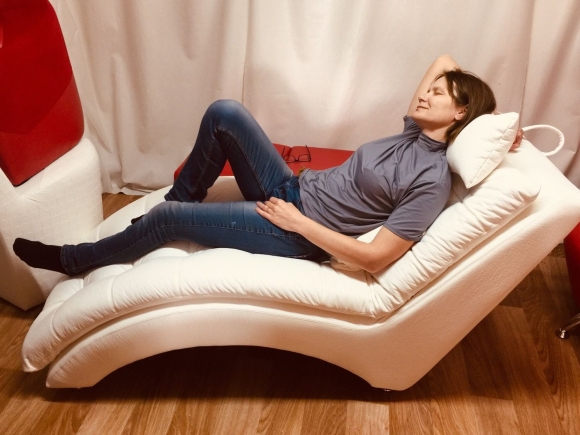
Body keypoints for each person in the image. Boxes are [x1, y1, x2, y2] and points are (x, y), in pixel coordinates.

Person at [13, 54, 521, 276]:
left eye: (440, 95)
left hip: (297, 231)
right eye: (431, 90)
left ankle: (73, 260)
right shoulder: (414, 130)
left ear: (458, 113)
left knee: (168, 221)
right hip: (290, 186)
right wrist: (488, 120)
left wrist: (299, 224)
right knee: (225, 113)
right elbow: (444, 60)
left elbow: (375, 259)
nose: (427, 92)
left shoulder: (430, 179)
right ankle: (175, 205)